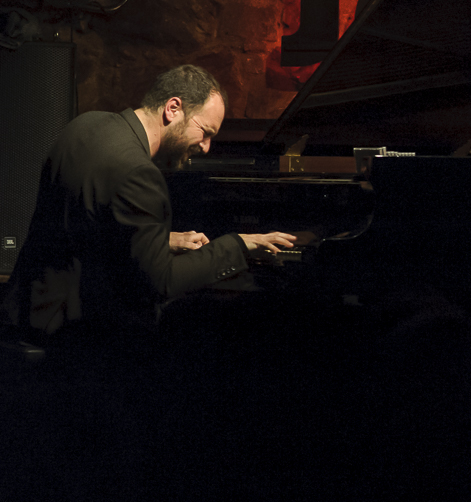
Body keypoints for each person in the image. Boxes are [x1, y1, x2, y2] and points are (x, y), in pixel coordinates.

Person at [2, 64, 295, 334]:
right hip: (75, 333)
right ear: (173, 108)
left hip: (29, 307)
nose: (206, 147)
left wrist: (159, 240)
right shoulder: (139, 173)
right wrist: (237, 244)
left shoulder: (86, 124)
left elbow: (86, 224)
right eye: (205, 132)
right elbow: (162, 282)